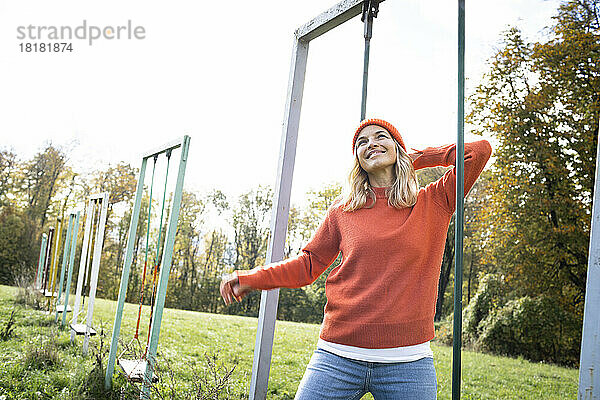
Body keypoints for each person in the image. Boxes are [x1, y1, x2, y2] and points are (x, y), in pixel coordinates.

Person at [220, 118, 492, 400]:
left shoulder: (435, 200)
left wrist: (417, 157)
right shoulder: (343, 210)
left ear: (399, 148)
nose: (371, 143)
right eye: (362, 142)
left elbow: (479, 150)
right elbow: (308, 265)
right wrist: (253, 278)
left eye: (380, 137)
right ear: (357, 161)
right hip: (337, 356)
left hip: (408, 363)